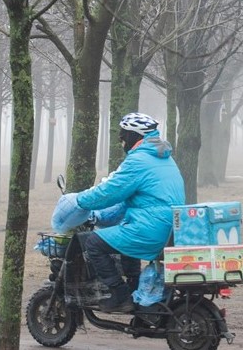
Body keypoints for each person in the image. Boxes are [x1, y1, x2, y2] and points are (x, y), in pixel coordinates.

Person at [51, 112, 185, 312]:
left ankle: (119, 294)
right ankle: (133, 288)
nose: (121, 140)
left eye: (123, 135)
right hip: (170, 228)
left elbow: (109, 192)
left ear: (134, 135)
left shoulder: (139, 160)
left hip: (152, 229)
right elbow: (134, 195)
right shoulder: (163, 158)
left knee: (93, 242)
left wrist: (78, 200)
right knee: (124, 236)